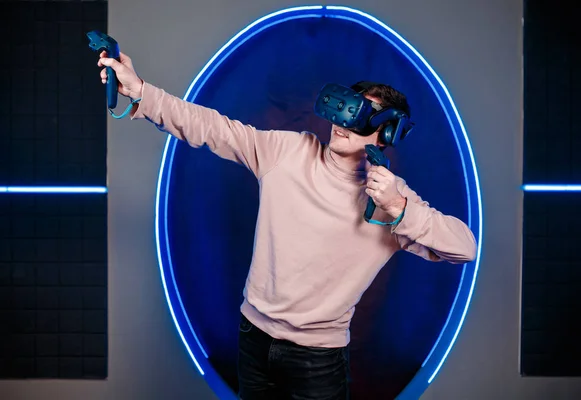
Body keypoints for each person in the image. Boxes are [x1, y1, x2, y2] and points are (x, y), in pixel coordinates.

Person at [98, 51, 477, 400]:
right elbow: (214, 128)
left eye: (364, 116)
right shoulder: (289, 151)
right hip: (253, 339)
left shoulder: (390, 201)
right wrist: (141, 93)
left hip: (318, 360)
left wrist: (399, 207)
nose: (344, 123)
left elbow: (465, 247)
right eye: (348, 108)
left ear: (387, 133)